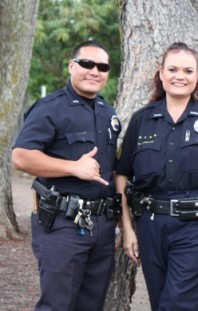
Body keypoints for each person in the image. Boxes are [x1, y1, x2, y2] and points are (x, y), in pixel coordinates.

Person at [115, 42, 198, 311]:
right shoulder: (141, 120)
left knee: (178, 305)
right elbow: (121, 174)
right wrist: (127, 228)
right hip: (152, 227)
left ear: (197, 75)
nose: (180, 76)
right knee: (161, 303)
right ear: (161, 73)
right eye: (173, 69)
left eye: (188, 70)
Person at [12, 41, 122, 311]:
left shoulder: (108, 113)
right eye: (87, 64)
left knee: (91, 305)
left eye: (102, 66)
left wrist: (116, 224)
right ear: (72, 66)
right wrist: (72, 167)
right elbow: (21, 157)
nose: (94, 71)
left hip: (102, 225)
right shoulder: (51, 107)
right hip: (63, 225)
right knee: (57, 305)